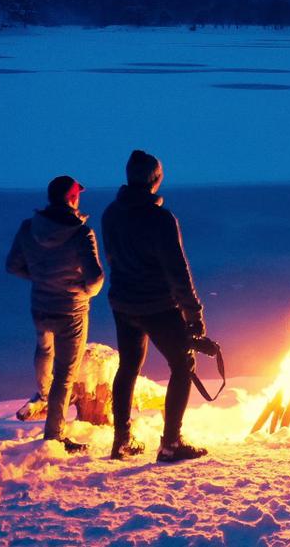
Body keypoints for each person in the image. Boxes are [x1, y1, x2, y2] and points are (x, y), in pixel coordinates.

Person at [102, 150, 209, 463]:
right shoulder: (160, 219)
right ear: (155, 179)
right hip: (158, 306)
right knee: (182, 364)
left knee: (128, 367)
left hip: (123, 305)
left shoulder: (111, 213)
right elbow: (178, 272)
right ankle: (171, 443)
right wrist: (193, 316)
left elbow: (112, 259)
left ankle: (121, 439)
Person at [6, 175, 104, 454]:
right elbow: (95, 279)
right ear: (73, 199)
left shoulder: (28, 228)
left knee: (44, 349)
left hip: (40, 305)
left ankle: (43, 392)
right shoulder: (80, 233)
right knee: (65, 374)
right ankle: (54, 435)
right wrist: (83, 291)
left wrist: (40, 278)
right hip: (71, 310)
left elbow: (12, 266)